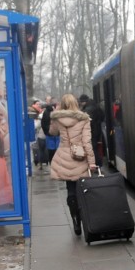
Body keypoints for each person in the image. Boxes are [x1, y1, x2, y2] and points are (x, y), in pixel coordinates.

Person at [49, 94, 97, 235]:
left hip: (64, 157)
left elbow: (52, 132)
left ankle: (75, 220)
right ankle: (83, 217)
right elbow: (87, 143)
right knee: (82, 189)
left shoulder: (57, 118)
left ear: (62, 105)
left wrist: (55, 115)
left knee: (70, 189)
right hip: (80, 157)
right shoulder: (84, 119)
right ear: (76, 103)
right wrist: (92, 163)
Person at [79, 94, 105, 166]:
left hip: (92, 132)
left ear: (83, 101)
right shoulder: (96, 105)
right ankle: (98, 164)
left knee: (92, 149)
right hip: (97, 130)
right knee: (95, 148)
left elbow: (86, 122)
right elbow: (102, 116)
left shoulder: (87, 109)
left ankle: (96, 164)